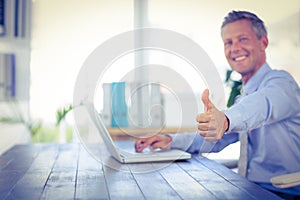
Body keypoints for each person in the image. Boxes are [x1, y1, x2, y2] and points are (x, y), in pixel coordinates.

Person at [135, 10, 300, 199]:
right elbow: (217, 139)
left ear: (263, 43)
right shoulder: (244, 98)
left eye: (243, 39)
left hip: (284, 192)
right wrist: (171, 140)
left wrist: (227, 119)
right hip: (250, 188)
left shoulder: (282, 83)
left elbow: (263, 105)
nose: (235, 48)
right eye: (228, 42)